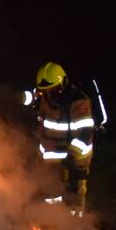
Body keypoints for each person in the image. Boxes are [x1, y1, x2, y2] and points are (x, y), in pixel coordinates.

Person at [22, 62, 95, 217]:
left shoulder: (79, 102)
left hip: (77, 157)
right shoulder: (44, 95)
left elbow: (86, 133)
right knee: (50, 190)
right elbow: (33, 95)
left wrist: (71, 156)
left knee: (74, 193)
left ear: (63, 83)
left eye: (54, 90)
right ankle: (53, 221)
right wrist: (20, 97)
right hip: (52, 154)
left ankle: (74, 227)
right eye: (46, 91)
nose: (50, 94)